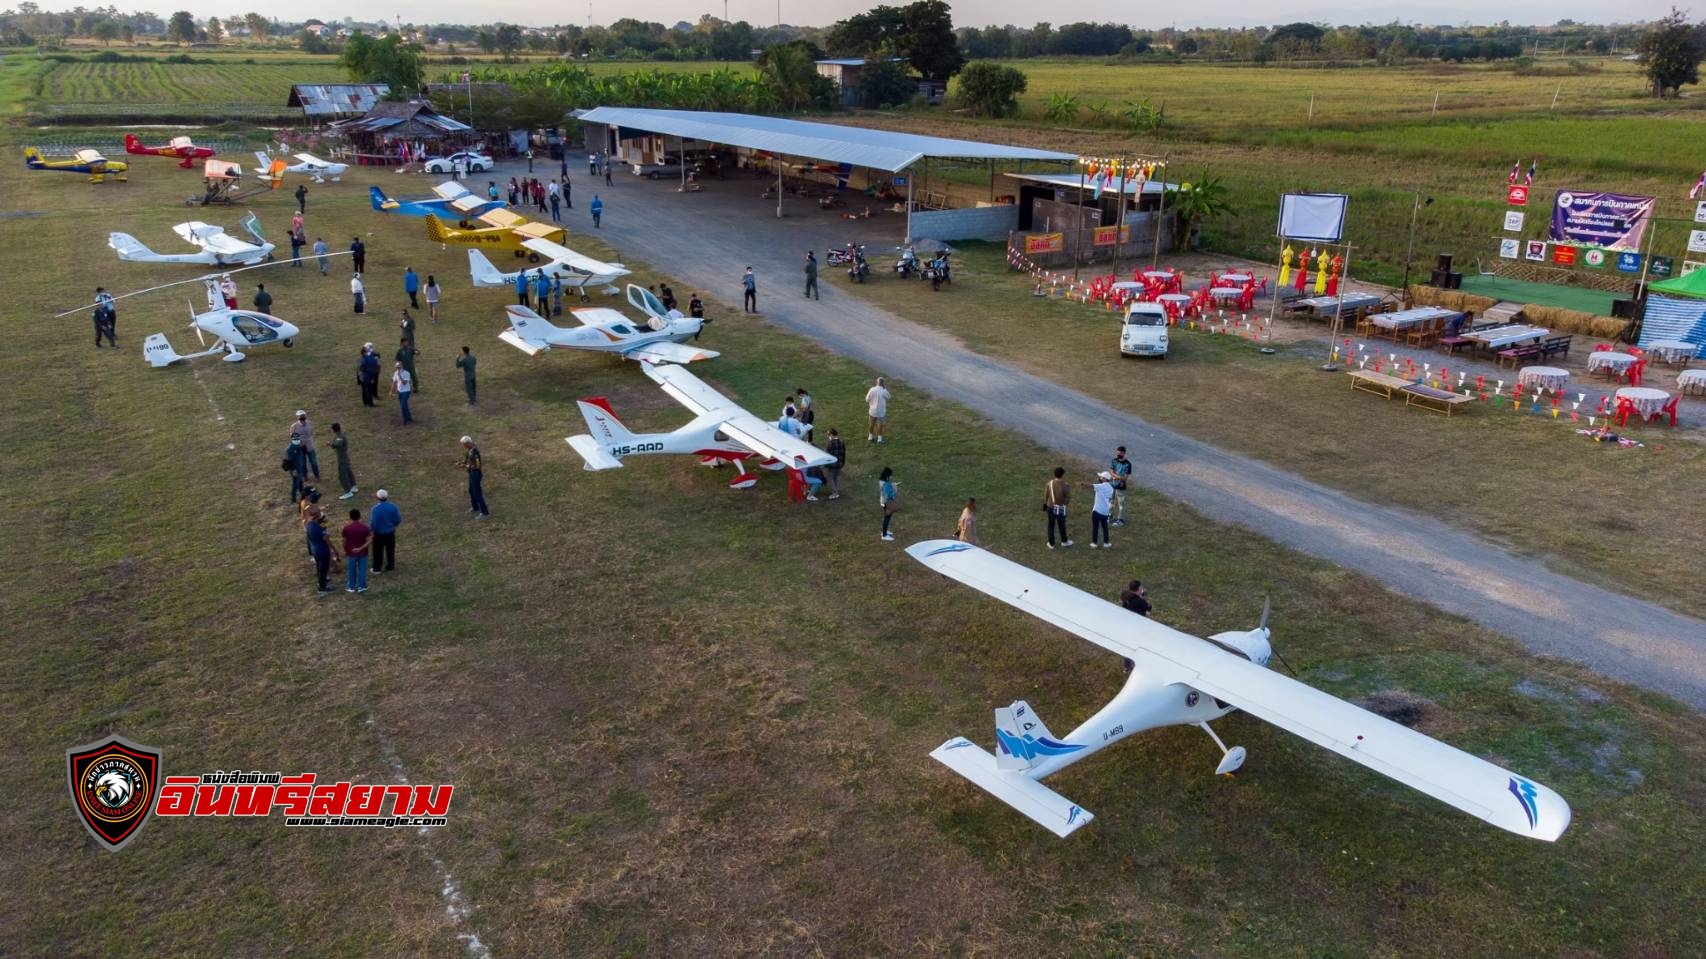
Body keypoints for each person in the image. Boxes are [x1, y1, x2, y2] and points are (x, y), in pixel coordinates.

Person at [1118, 580, 1151, 671]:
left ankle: (1126, 666)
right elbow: (1148, 608)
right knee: (1135, 645)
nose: (1142, 589)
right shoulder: (1140, 602)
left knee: (1127, 646)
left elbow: (1132, 599)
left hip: (1126, 622)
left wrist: (1139, 595)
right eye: (1141, 588)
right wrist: (1144, 600)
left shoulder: (1124, 594)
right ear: (1137, 589)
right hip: (1137, 625)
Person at [341, 508, 372, 593]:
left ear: (350, 517)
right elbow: (369, 540)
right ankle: (362, 586)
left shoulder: (346, 528)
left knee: (351, 570)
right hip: (363, 553)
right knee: (362, 570)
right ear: (359, 516)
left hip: (351, 553)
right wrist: (361, 548)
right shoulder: (365, 527)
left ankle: (351, 586)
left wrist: (345, 550)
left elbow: (344, 541)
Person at [306, 507, 335, 595]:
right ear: (317, 516)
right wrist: (327, 534)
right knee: (323, 568)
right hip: (322, 550)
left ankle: (321, 580)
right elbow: (325, 538)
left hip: (315, 549)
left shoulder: (309, 524)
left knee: (319, 567)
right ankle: (322, 587)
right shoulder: (317, 528)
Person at [370, 489, 401, 573]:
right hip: (390, 532)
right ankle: (390, 566)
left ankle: (377, 568)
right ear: (387, 497)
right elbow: (398, 519)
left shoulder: (375, 509)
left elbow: (374, 523)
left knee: (377, 551)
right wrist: (393, 525)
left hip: (379, 534)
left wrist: (372, 530)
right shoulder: (393, 507)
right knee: (390, 550)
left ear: (377, 497)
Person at [460, 435, 489, 517]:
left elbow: (477, 466)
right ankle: (475, 507)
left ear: (468, 443)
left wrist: (466, 466)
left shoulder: (475, 452)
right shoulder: (469, 450)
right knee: (471, 491)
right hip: (471, 474)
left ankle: (485, 512)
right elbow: (468, 460)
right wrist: (463, 463)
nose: (463, 446)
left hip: (476, 474)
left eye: (464, 444)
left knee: (477, 493)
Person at [1044, 466, 1072, 549]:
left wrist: (1046, 503)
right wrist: (1065, 505)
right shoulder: (1066, 485)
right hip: (1060, 508)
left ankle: (1051, 543)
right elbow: (1067, 498)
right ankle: (1064, 541)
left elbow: (1046, 495)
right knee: (1062, 525)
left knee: (1051, 525)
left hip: (1050, 506)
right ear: (1062, 475)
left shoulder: (1050, 483)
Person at [1086, 471, 1115, 549]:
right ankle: (1106, 543)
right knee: (1105, 527)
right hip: (1105, 511)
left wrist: (1082, 484)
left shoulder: (1100, 486)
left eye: (1101, 477)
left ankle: (1094, 543)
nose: (1100, 478)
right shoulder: (1111, 489)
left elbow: (1090, 486)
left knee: (1095, 527)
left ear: (1105, 479)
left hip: (1097, 510)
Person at [289, 409, 320, 479]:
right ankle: (304, 477)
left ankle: (317, 475)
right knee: (303, 463)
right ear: (297, 417)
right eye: (300, 416)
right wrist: (300, 444)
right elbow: (293, 437)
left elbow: (312, 433)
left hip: (310, 446)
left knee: (313, 462)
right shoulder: (294, 426)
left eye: (303, 415)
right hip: (300, 447)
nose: (302, 417)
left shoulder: (309, 423)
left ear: (305, 416)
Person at [330, 422, 357, 499]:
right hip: (345, 456)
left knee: (342, 475)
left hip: (342, 458)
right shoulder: (341, 435)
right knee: (348, 471)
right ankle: (353, 486)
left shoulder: (340, 437)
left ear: (334, 430)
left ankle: (348, 491)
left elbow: (339, 446)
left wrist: (331, 445)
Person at [1109, 446, 1133, 527]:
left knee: (1121, 504)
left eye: (1119, 454)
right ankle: (1109, 516)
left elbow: (1125, 478)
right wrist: (1118, 477)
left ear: (1123, 453)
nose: (1117, 455)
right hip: (1112, 484)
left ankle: (1120, 520)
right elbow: (1111, 472)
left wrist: (1115, 476)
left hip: (1121, 486)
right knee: (1111, 501)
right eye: (1117, 453)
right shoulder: (1114, 461)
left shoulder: (1128, 464)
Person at [283, 436, 309, 502]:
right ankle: (293, 498)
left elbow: (304, 452)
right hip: (295, 469)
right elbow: (290, 461)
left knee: (300, 482)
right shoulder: (291, 449)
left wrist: (303, 447)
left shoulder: (298, 446)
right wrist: (294, 471)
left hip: (299, 467)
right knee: (295, 484)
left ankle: (303, 495)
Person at [865, 376, 890, 443]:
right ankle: (879, 439)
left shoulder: (872, 389)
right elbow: (889, 397)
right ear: (883, 383)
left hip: (872, 410)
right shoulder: (883, 391)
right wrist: (885, 389)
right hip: (881, 411)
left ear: (876, 382)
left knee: (871, 424)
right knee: (880, 425)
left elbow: (867, 399)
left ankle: (870, 438)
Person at [823, 428, 845, 499]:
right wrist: (842, 463)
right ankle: (836, 490)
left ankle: (835, 493)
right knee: (836, 477)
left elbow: (828, 456)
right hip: (840, 463)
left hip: (832, 465)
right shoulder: (842, 442)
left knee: (830, 478)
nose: (828, 436)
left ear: (832, 434)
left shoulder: (830, 444)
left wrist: (826, 465)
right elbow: (843, 454)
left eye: (828, 435)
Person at [878, 466, 899, 542]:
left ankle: (885, 531)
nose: (891, 476)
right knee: (887, 518)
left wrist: (892, 485)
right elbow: (889, 494)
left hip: (883, 501)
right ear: (887, 476)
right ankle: (884, 535)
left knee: (887, 517)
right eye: (890, 475)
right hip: (887, 502)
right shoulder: (885, 484)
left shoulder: (882, 481)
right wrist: (895, 489)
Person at [358, 343, 380, 407]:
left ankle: (365, 403)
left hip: (363, 377)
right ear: (364, 352)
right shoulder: (364, 359)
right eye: (366, 351)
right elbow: (364, 368)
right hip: (367, 377)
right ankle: (370, 404)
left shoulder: (361, 358)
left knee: (364, 390)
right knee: (369, 390)